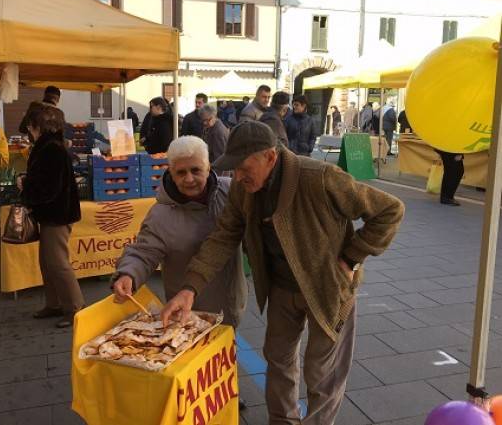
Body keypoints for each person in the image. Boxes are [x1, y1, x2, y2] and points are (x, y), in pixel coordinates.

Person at [161, 121, 405, 425]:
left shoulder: (320, 177)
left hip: (328, 288)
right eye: (233, 168)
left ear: (270, 157)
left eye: (243, 167)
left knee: (322, 372)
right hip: (281, 288)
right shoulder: (242, 188)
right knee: (278, 360)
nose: (236, 176)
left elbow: (389, 210)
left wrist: (351, 258)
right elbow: (224, 236)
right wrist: (190, 288)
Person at [111, 135, 247, 327]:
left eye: (196, 170)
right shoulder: (161, 214)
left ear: (208, 167)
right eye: (181, 173)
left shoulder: (231, 192)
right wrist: (128, 274)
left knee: (227, 350)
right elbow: (143, 251)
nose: (189, 179)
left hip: (231, 299)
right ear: (171, 173)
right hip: (188, 309)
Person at [18, 103, 84, 328]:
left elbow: (49, 188)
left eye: (31, 126)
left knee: (58, 263)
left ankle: (75, 309)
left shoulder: (51, 149)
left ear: (37, 126)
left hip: (57, 214)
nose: (28, 130)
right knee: (47, 263)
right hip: (52, 214)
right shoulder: (48, 146)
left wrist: (26, 187)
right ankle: (54, 304)